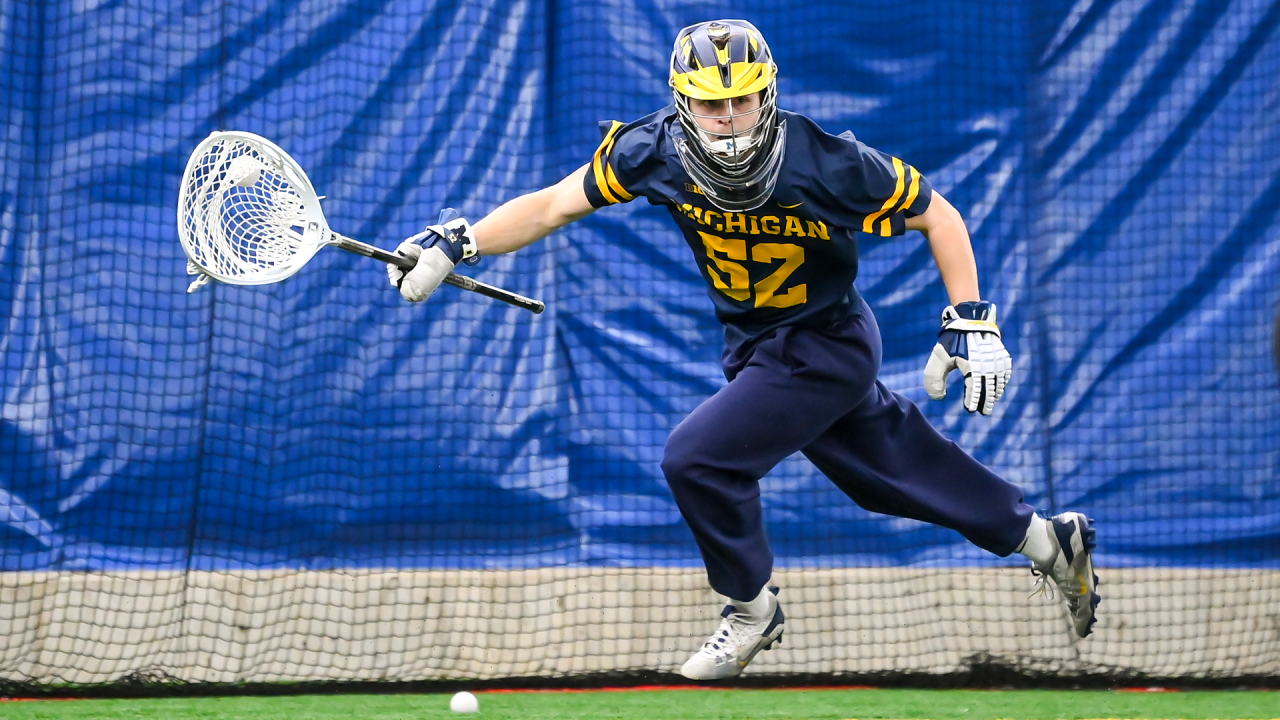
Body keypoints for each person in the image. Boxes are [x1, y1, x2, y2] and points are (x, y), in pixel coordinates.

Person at [387, 19, 1100, 680]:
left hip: (825, 340)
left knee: (696, 459)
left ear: (768, 93)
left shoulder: (823, 160)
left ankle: (751, 611)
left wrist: (969, 317)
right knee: (891, 473)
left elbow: (937, 215)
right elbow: (552, 203)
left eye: (743, 101)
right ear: (682, 104)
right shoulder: (653, 149)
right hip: (759, 346)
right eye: (711, 105)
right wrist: (461, 241)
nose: (728, 121)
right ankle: (1047, 541)